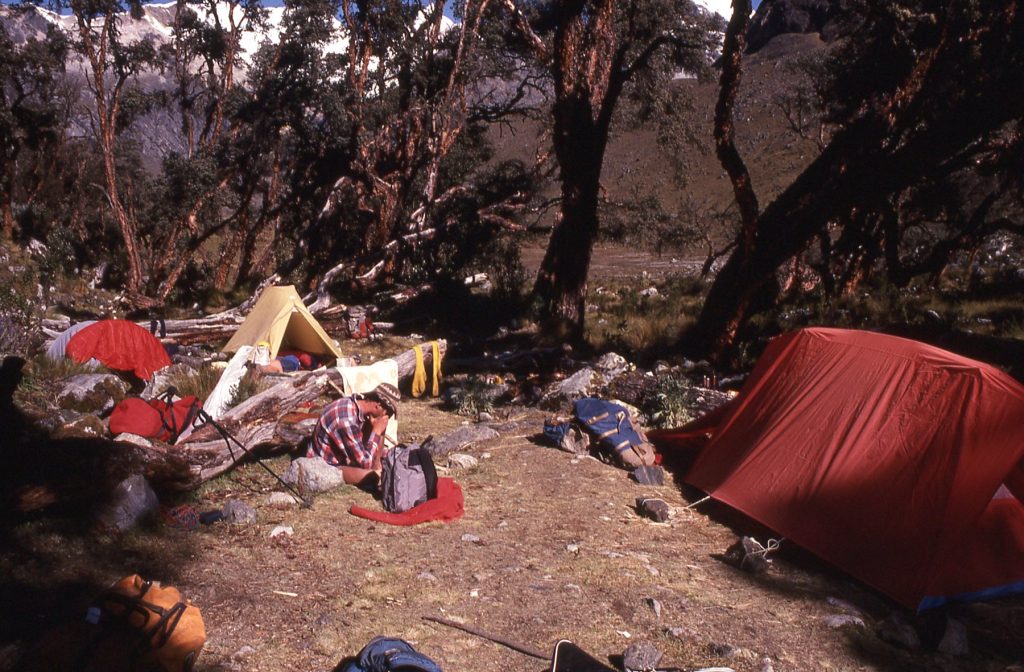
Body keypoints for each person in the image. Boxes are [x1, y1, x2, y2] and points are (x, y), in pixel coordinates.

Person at [306, 382, 400, 486]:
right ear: (378, 406)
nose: (386, 419)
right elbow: (366, 463)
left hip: (343, 457)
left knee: (382, 470)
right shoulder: (346, 420)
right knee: (373, 476)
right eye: (388, 414)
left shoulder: (356, 408)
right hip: (325, 465)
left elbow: (373, 458)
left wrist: (381, 430)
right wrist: (376, 432)